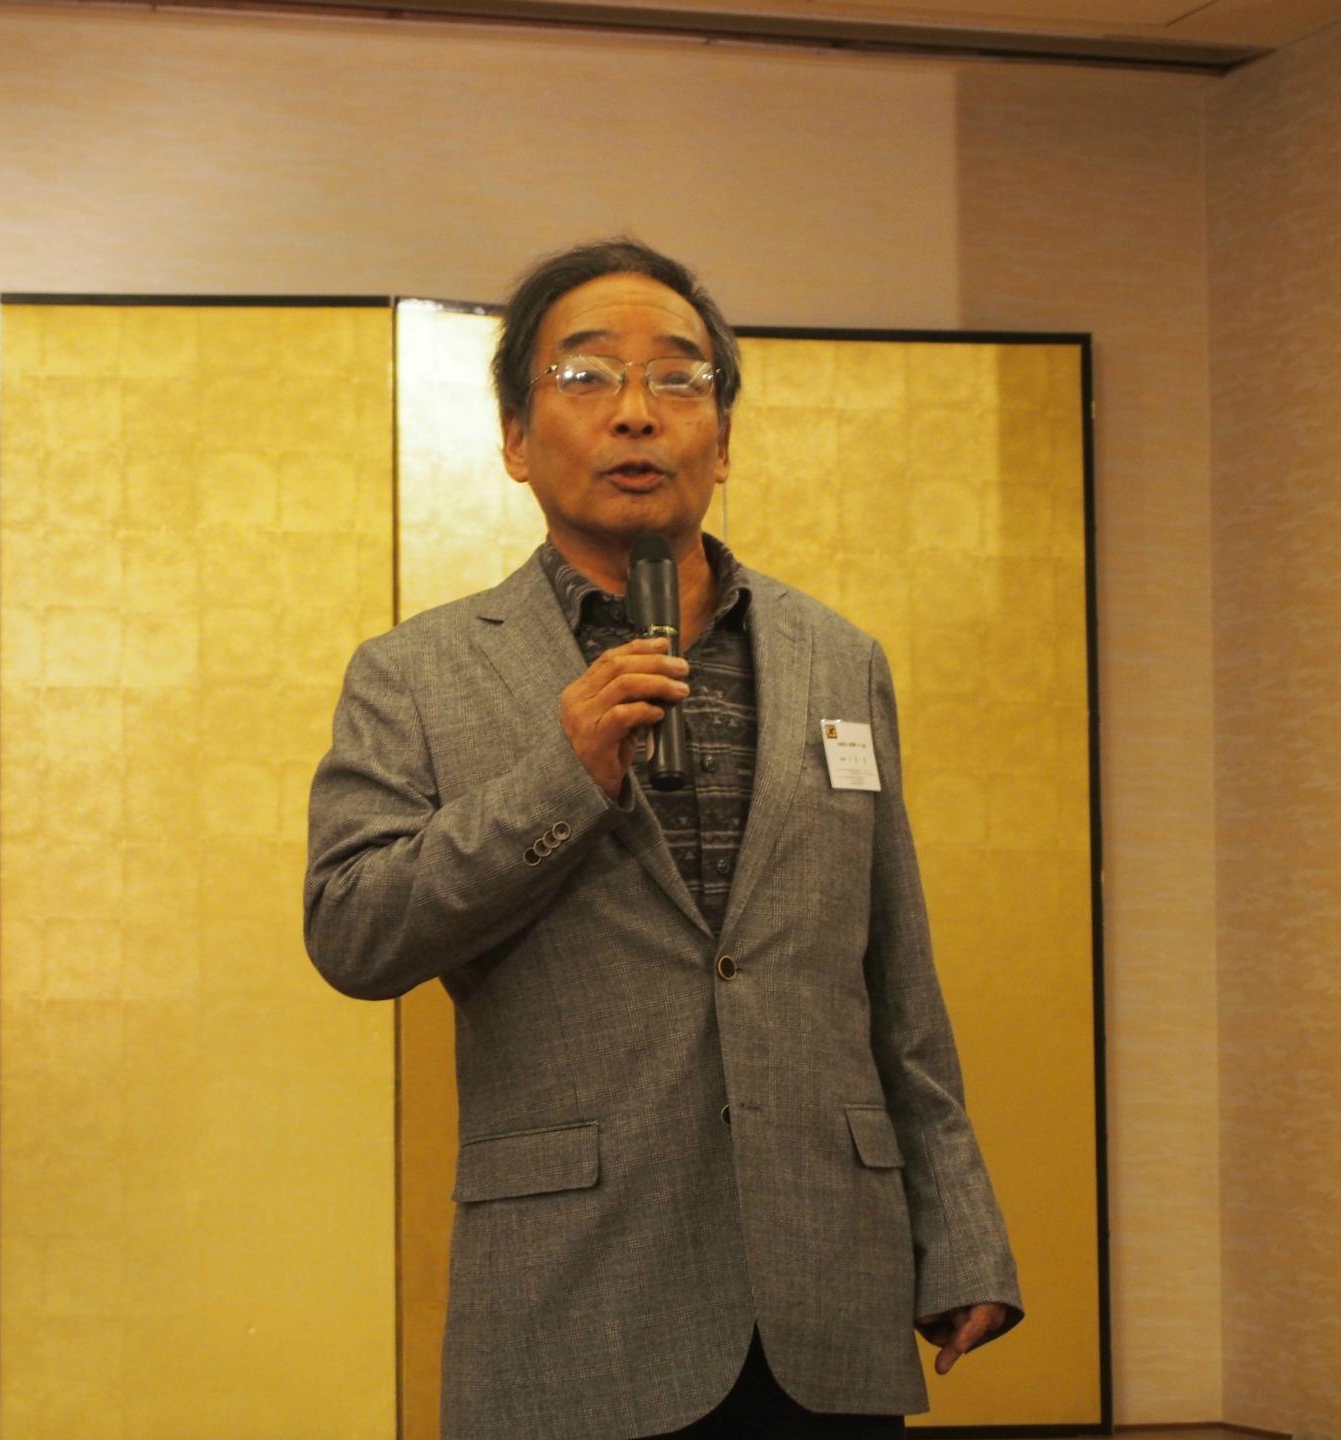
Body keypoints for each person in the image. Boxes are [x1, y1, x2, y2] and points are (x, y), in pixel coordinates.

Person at [304, 238, 1021, 1439]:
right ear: (516, 438)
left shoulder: (837, 658)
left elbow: (895, 968)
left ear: (723, 440)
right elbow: (352, 931)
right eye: (586, 377)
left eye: (679, 379)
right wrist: (563, 777)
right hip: (576, 1301)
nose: (636, 412)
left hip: (827, 1287)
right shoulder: (416, 674)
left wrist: (958, 1230)